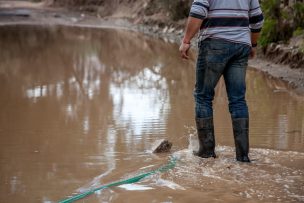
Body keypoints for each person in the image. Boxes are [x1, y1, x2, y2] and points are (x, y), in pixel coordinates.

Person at [179, 0, 264, 162]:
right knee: (238, 100)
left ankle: (207, 152)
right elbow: (257, 18)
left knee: (203, 97)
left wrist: (186, 41)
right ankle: (243, 156)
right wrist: (253, 44)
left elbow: (198, 11)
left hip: (214, 43)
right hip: (241, 46)